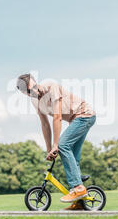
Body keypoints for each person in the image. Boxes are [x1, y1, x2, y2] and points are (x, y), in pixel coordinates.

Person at [16, 73, 96, 210]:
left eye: (33, 87)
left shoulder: (52, 88)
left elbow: (57, 117)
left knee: (63, 145)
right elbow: (45, 124)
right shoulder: (35, 101)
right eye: (29, 92)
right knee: (72, 159)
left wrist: (55, 145)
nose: (33, 92)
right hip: (75, 120)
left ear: (36, 82)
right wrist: (49, 149)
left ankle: (78, 187)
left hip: (84, 115)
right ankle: (80, 203)